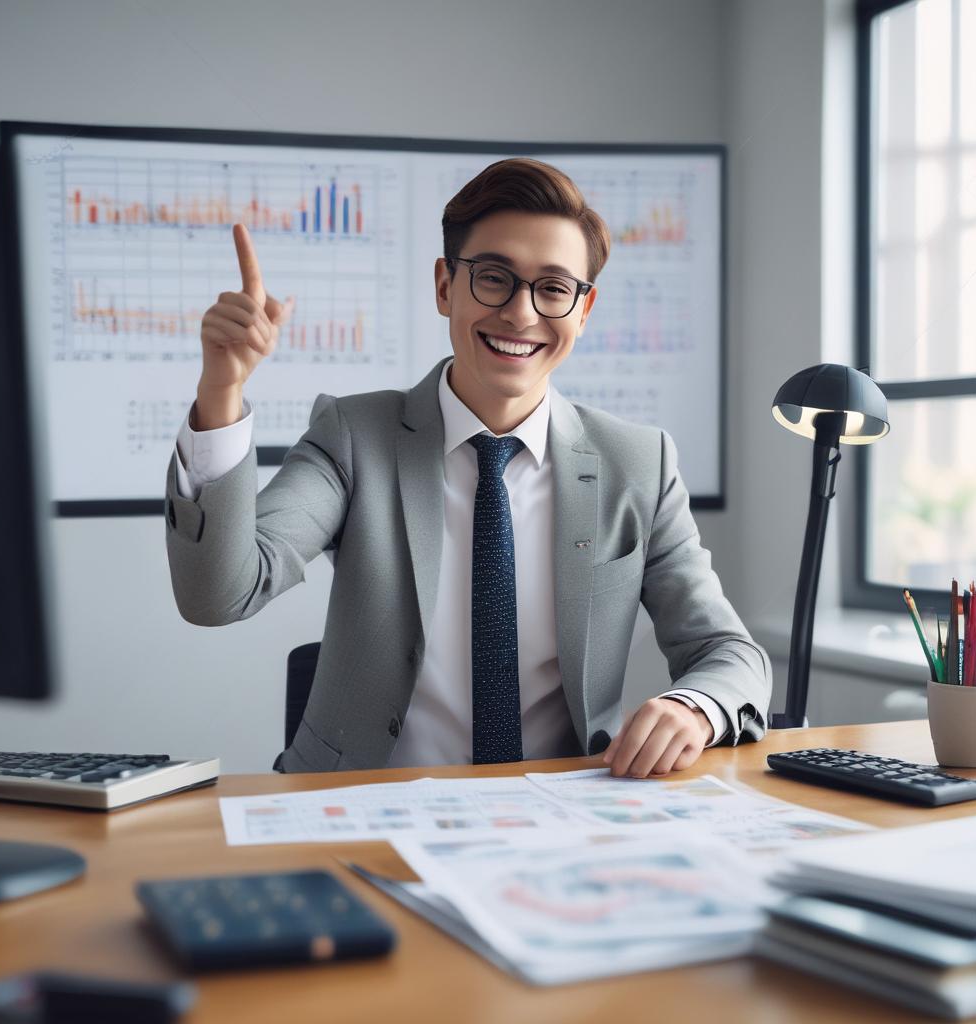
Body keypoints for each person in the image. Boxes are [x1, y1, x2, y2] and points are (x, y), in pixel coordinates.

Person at [165, 157, 771, 777]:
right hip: (363, 802)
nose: (521, 314)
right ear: (444, 286)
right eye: (494, 278)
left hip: (563, 811)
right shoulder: (353, 437)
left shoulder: (638, 464)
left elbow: (728, 651)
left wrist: (694, 708)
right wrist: (221, 391)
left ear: (584, 310)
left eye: (553, 289)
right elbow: (218, 594)